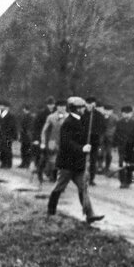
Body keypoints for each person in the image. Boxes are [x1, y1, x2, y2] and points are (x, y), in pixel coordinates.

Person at [46, 96, 105, 224]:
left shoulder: (83, 120)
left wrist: (93, 142)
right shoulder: (68, 122)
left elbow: (89, 136)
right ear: (76, 109)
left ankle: (90, 214)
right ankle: (50, 211)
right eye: (82, 107)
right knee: (59, 187)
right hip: (67, 163)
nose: (84, 109)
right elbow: (66, 143)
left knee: (83, 188)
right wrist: (82, 148)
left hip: (78, 163)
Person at [40, 99, 69, 182]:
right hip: (53, 141)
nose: (62, 108)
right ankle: (53, 175)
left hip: (65, 141)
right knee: (53, 159)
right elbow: (44, 130)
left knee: (64, 159)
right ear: (57, 107)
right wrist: (43, 141)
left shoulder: (69, 117)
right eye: (60, 106)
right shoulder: (51, 117)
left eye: (64, 106)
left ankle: (61, 177)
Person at [32, 96, 56, 177]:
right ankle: (40, 171)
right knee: (43, 155)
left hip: (53, 138)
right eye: (49, 104)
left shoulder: (56, 113)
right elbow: (36, 127)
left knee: (53, 156)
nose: (51, 106)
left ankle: (51, 173)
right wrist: (36, 138)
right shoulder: (42, 114)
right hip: (44, 137)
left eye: (52, 104)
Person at [114, 105, 134, 188]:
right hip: (121, 146)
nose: (127, 115)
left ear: (131, 114)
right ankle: (122, 181)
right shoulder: (119, 123)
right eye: (125, 113)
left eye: (128, 113)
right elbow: (116, 134)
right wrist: (115, 145)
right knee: (121, 163)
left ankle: (128, 181)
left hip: (131, 147)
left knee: (130, 164)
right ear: (122, 114)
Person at [0, 100, 17, 169]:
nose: (2, 107)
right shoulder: (1, 114)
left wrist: (12, 136)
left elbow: (12, 126)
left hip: (8, 135)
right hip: (2, 135)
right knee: (2, 149)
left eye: (4, 107)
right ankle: (3, 163)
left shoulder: (10, 115)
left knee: (7, 149)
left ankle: (8, 163)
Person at [98, 104, 117, 173]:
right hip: (101, 139)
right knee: (100, 152)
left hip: (110, 139)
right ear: (104, 110)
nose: (107, 112)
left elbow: (116, 128)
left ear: (112, 111)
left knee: (109, 154)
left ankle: (107, 167)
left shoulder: (114, 118)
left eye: (109, 111)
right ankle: (99, 167)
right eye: (106, 110)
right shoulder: (100, 117)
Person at [18, 104, 36, 168]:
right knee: (23, 150)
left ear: (25, 109)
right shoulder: (26, 116)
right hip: (25, 136)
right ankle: (24, 163)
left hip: (27, 136)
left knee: (26, 150)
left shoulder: (30, 117)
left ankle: (26, 163)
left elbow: (29, 127)